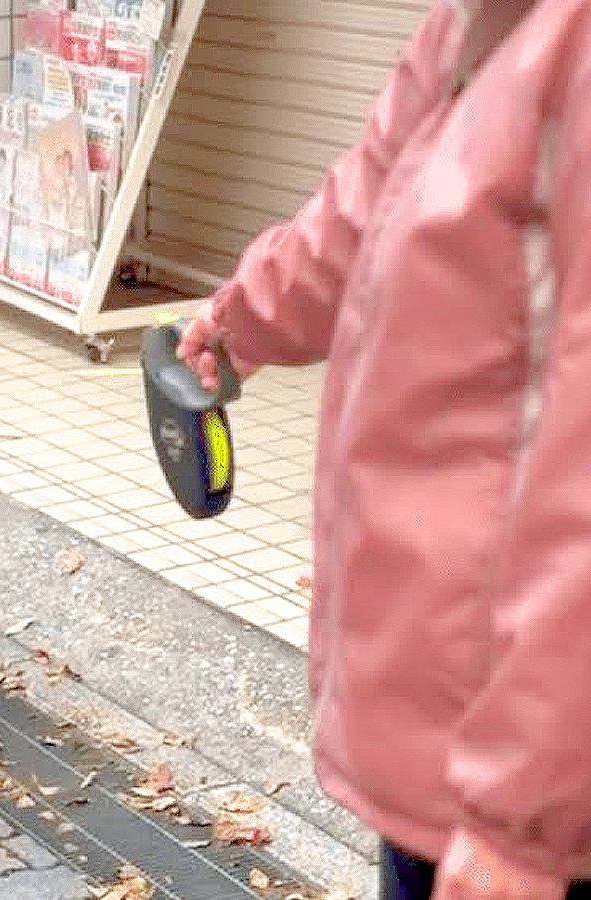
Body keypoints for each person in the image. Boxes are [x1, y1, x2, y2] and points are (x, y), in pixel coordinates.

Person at [176, 0, 591, 897]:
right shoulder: (478, 23)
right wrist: (238, 316)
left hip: (536, 767)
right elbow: (362, 206)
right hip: (460, 716)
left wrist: (527, 819)